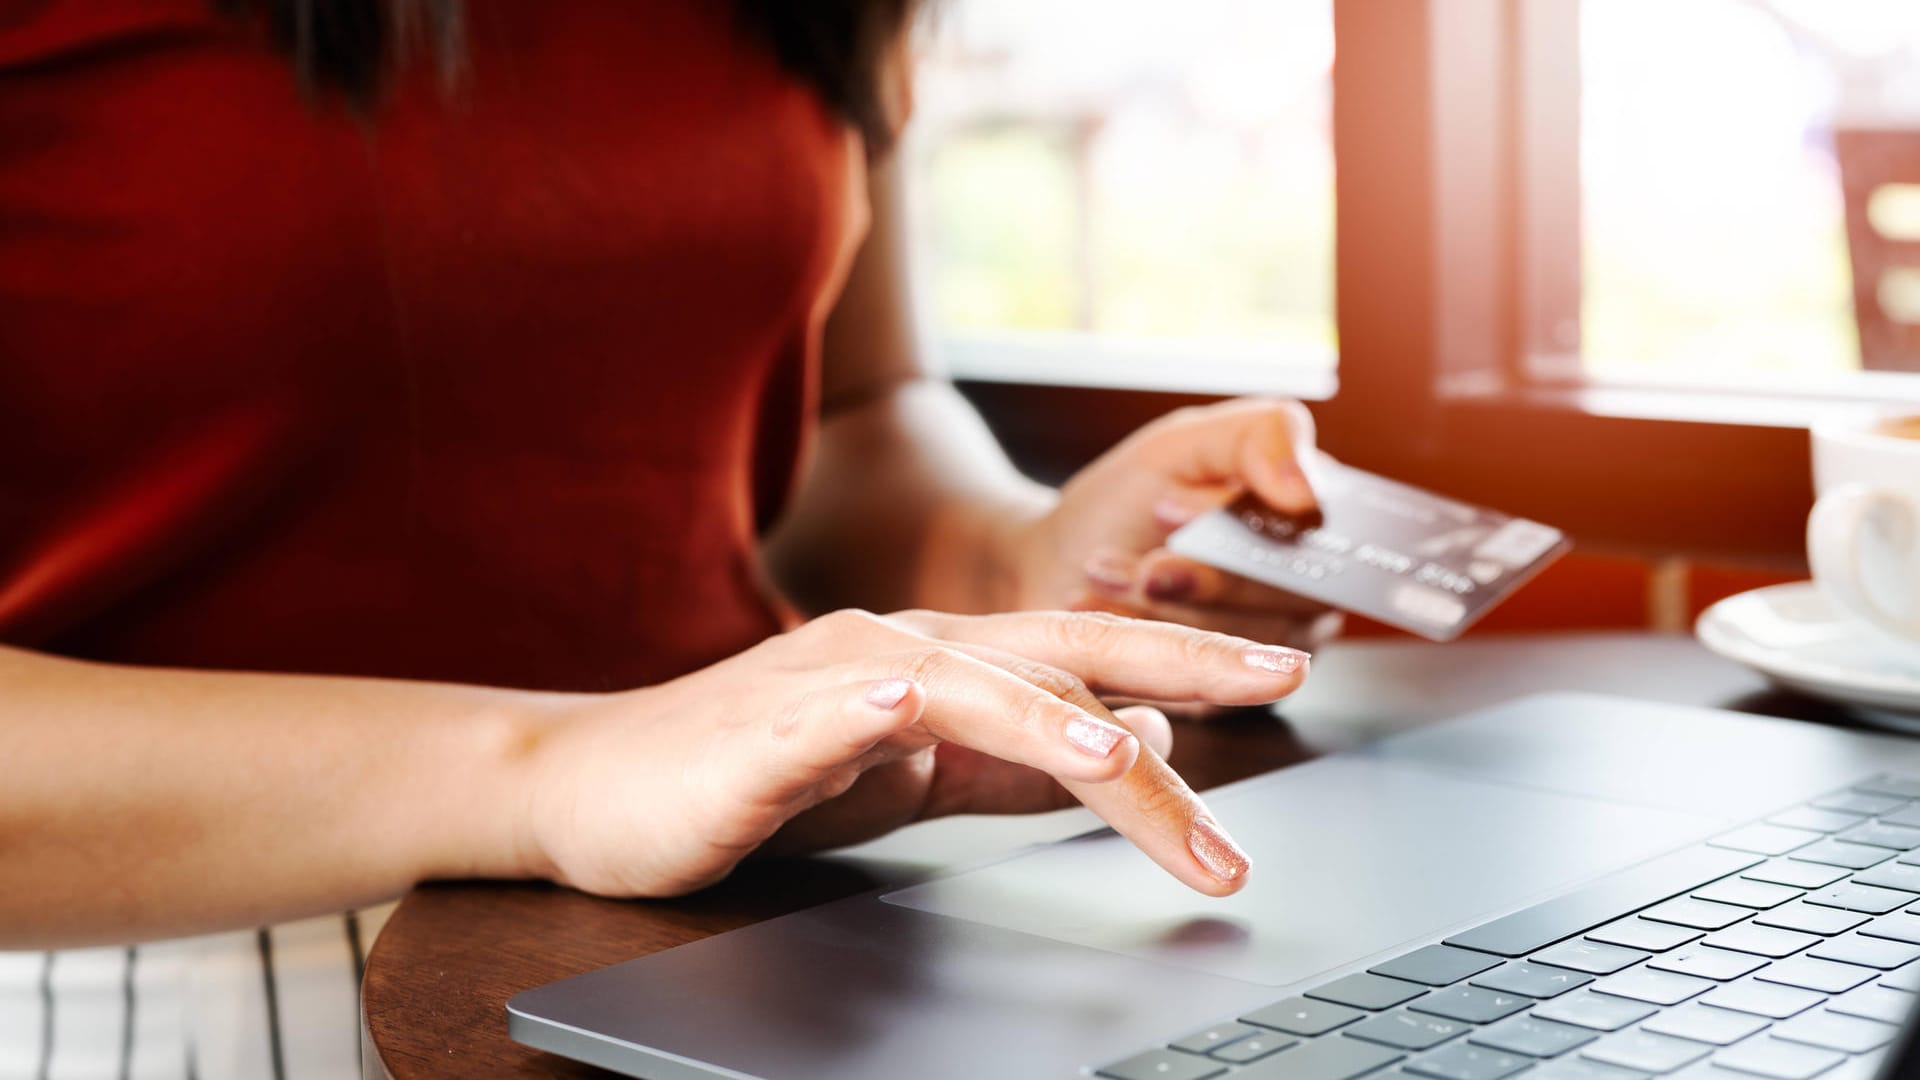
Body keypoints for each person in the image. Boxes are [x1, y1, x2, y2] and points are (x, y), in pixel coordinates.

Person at [0, 0, 1336, 1074]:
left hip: (751, 935)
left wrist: (1011, 558)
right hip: (189, 963)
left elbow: (849, 412)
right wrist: (552, 768)